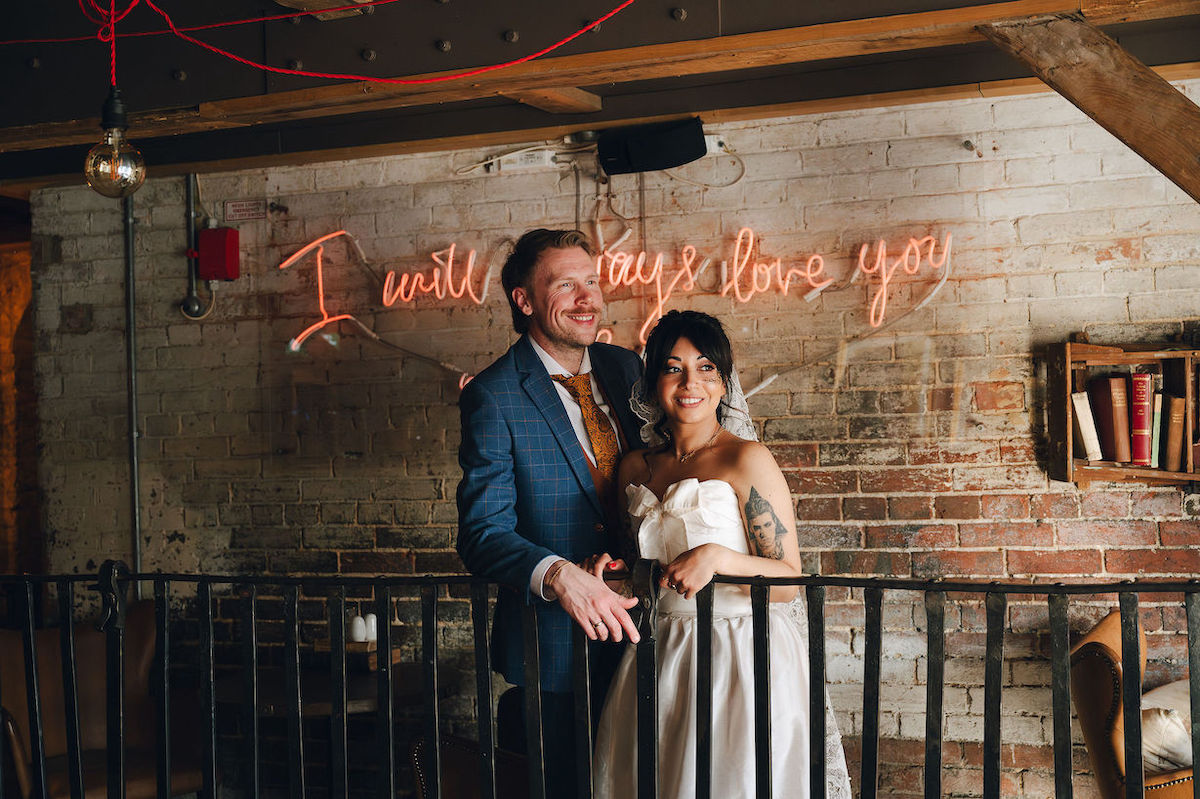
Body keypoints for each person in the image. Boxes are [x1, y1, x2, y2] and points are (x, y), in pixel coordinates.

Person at [591, 310, 852, 799]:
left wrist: (717, 557)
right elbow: (641, 575)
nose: (690, 383)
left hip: (741, 652)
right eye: (673, 368)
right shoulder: (634, 467)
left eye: (706, 367)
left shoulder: (745, 458)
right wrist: (608, 573)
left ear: (724, 380)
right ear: (653, 383)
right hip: (660, 650)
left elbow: (789, 580)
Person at [456, 228, 645, 798]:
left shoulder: (626, 368)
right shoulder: (493, 395)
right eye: (567, 285)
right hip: (556, 652)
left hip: (651, 636)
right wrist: (560, 575)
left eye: (592, 281)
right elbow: (482, 534)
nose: (589, 299)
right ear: (525, 299)